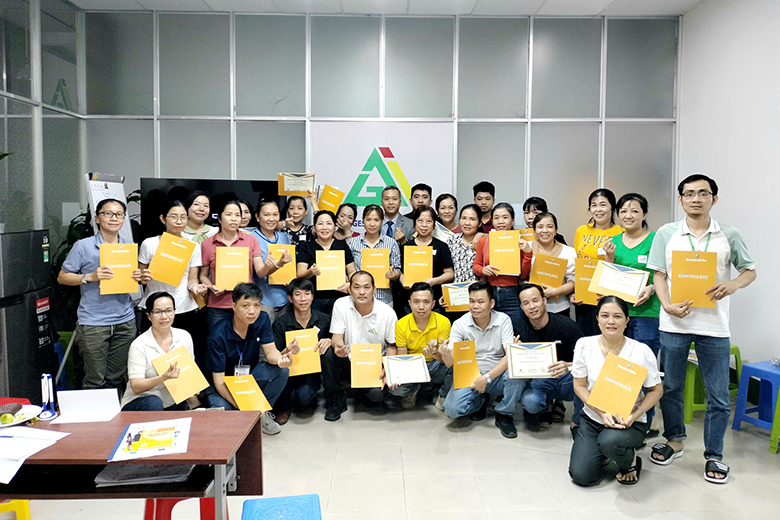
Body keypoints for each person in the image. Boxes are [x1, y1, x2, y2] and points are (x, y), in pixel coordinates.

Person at [647, 174, 756, 484]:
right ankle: (675, 440)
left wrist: (733, 284)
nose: (696, 199)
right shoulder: (667, 233)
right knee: (671, 387)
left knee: (718, 394)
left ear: (714, 199)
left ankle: (714, 454)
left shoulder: (729, 234)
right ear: (680, 199)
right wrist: (666, 305)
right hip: (674, 323)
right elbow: (658, 274)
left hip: (714, 326)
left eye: (703, 193)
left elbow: (749, 270)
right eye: (689, 194)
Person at [568, 296, 663, 486]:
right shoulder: (584, 345)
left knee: (609, 441)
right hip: (594, 419)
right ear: (597, 319)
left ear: (627, 321)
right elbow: (579, 386)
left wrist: (635, 415)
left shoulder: (641, 351)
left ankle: (629, 461)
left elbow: (656, 390)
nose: (610, 321)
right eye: (605, 316)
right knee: (581, 476)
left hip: (629, 422)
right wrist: (601, 413)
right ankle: (604, 452)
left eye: (617, 316)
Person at [58, 198, 142, 391]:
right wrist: (90, 277)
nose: (114, 218)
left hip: (125, 320)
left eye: (119, 214)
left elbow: (128, 278)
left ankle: (116, 411)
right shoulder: (83, 246)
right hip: (94, 322)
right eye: (108, 214)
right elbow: (62, 277)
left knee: (116, 379)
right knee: (94, 380)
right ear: (97, 218)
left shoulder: (128, 246)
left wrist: (139, 276)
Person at [603, 193, 662, 437]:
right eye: (624, 211)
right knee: (618, 368)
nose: (628, 215)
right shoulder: (613, 241)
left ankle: (643, 422)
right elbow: (608, 278)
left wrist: (652, 287)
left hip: (647, 314)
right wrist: (608, 258)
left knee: (643, 369)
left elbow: (667, 274)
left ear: (644, 214)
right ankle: (618, 416)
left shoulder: (656, 240)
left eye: (635, 211)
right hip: (619, 315)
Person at [439, 281, 528, 439]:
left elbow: (510, 356)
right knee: (452, 410)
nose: (475, 306)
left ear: (491, 303)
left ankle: (504, 413)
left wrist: (486, 378)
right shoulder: (460, 324)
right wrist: (445, 353)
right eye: (472, 301)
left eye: (480, 302)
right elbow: (450, 363)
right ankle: (480, 401)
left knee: (517, 372)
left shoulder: (503, 320)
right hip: (471, 374)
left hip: (497, 373)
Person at [205, 283, 293, 435]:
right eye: (245, 305)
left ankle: (260, 414)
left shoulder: (262, 319)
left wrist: (280, 359)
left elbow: (270, 352)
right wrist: (243, 406)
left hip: (248, 378)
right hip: (224, 385)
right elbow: (219, 381)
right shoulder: (218, 334)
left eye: (257, 305)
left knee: (282, 371)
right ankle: (250, 414)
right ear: (234, 306)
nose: (252, 311)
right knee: (223, 413)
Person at [320, 271, 398, 421]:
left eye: (366, 287)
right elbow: (336, 337)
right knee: (329, 352)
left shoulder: (387, 313)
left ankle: (363, 391)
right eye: (356, 287)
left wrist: (388, 369)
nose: (362, 292)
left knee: (377, 395)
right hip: (348, 359)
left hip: (374, 364)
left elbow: (392, 346)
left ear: (374, 290)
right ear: (350, 289)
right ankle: (336, 400)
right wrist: (338, 347)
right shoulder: (341, 304)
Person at [516, 283, 584, 434]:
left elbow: (588, 359)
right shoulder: (520, 330)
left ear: (544, 300)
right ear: (521, 307)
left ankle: (578, 423)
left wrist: (569, 365)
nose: (532, 307)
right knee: (531, 402)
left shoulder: (566, 325)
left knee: (589, 381)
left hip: (566, 378)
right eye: (526, 303)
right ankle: (545, 406)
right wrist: (515, 353)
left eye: (535, 300)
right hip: (539, 381)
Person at [120, 292, 200, 411]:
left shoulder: (184, 337)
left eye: (169, 311)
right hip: (141, 401)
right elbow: (136, 386)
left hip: (171, 400)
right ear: (149, 316)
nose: (164, 316)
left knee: (185, 408)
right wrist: (163, 378)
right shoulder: (139, 345)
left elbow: (189, 372)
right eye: (158, 312)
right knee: (154, 402)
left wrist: (192, 387)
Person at [138, 201, 207, 336]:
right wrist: (143, 278)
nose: (179, 221)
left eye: (183, 217)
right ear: (163, 218)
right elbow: (140, 277)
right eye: (174, 216)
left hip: (183, 307)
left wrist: (196, 288)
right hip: (154, 308)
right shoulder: (149, 244)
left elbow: (192, 279)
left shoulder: (193, 247)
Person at [199, 200, 267, 330]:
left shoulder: (251, 240)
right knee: (217, 339)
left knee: (245, 340)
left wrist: (272, 265)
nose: (234, 219)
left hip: (246, 304)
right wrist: (211, 287)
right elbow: (203, 275)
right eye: (229, 214)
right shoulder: (207, 244)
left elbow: (260, 272)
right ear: (220, 218)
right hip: (218, 305)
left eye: (237, 215)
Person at [271, 278, 331, 424]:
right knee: (282, 371)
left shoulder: (324, 320)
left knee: (304, 397)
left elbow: (336, 339)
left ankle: (311, 398)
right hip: (289, 370)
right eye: (298, 294)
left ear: (312, 296)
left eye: (307, 294)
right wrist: (287, 351)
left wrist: (330, 340)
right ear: (290, 299)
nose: (303, 299)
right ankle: (284, 408)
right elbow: (275, 354)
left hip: (311, 371)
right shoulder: (281, 323)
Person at [473, 203, 533, 333]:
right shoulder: (484, 241)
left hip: (513, 294)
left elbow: (523, 275)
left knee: (516, 331)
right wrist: (483, 270)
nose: (500, 221)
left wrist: (528, 253)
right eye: (496, 218)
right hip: (490, 292)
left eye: (505, 217)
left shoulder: (520, 241)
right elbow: (476, 265)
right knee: (490, 332)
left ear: (513, 220)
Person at [392, 282, 452, 411]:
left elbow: (445, 360)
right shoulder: (401, 324)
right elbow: (402, 357)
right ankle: (414, 389)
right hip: (412, 364)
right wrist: (412, 374)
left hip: (435, 363)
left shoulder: (443, 322)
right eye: (416, 302)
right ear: (410, 303)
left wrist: (434, 353)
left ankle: (440, 391)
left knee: (454, 365)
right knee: (396, 389)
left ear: (433, 304)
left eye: (426, 302)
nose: (421, 307)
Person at [572, 188, 623, 336]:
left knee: (608, 337)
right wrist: (573, 292)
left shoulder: (621, 233)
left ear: (612, 208)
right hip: (584, 296)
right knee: (585, 338)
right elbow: (577, 264)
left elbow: (622, 266)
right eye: (594, 205)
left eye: (603, 205)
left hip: (608, 296)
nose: (598, 209)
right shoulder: (581, 231)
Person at [296, 210, 357, 314]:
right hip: (314, 299)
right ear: (315, 227)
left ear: (334, 227)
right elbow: (300, 274)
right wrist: (311, 272)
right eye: (320, 224)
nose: (324, 227)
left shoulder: (342, 245)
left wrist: (350, 284)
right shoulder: (306, 247)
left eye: (329, 223)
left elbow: (352, 272)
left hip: (339, 297)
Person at [399, 206, 454, 308]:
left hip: (435, 300)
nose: (424, 225)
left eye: (428, 221)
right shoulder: (406, 247)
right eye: (420, 221)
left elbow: (449, 274)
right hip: (410, 301)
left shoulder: (442, 246)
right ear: (415, 223)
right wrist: (404, 281)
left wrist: (433, 281)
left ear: (434, 224)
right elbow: (400, 272)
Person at [250, 199, 294, 323]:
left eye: (275, 214)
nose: (271, 219)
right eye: (266, 214)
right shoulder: (252, 238)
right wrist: (279, 264)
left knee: (283, 332)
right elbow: (260, 272)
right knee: (265, 332)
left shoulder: (284, 237)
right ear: (257, 217)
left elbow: (289, 266)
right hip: (263, 299)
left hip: (285, 298)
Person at [347, 205, 401, 306]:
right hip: (358, 298)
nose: (372, 224)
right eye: (368, 219)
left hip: (384, 298)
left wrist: (393, 274)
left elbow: (398, 269)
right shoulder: (353, 243)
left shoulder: (391, 243)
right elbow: (348, 269)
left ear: (382, 221)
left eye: (376, 220)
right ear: (363, 221)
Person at [530, 212, 576, 316]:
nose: (545, 230)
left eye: (550, 227)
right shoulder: (526, 248)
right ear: (534, 231)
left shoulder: (569, 252)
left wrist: (555, 291)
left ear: (556, 230)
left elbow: (573, 281)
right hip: (532, 308)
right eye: (540, 227)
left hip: (560, 307)